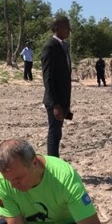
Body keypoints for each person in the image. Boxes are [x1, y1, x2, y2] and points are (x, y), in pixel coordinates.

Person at [41, 15, 73, 158]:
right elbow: (48, 78)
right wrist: (55, 104)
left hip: (62, 99)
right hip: (55, 101)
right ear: (57, 28)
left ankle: (55, 163)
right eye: (66, 26)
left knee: (58, 133)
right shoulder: (50, 47)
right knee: (54, 133)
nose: (69, 30)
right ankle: (53, 166)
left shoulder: (63, 46)